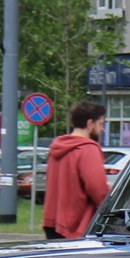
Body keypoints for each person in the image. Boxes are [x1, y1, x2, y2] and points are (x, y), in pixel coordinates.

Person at [40, 101, 111, 240]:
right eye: (101, 124)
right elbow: (98, 189)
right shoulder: (88, 149)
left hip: (52, 221)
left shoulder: (56, 147)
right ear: (90, 124)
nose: (102, 129)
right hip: (75, 225)